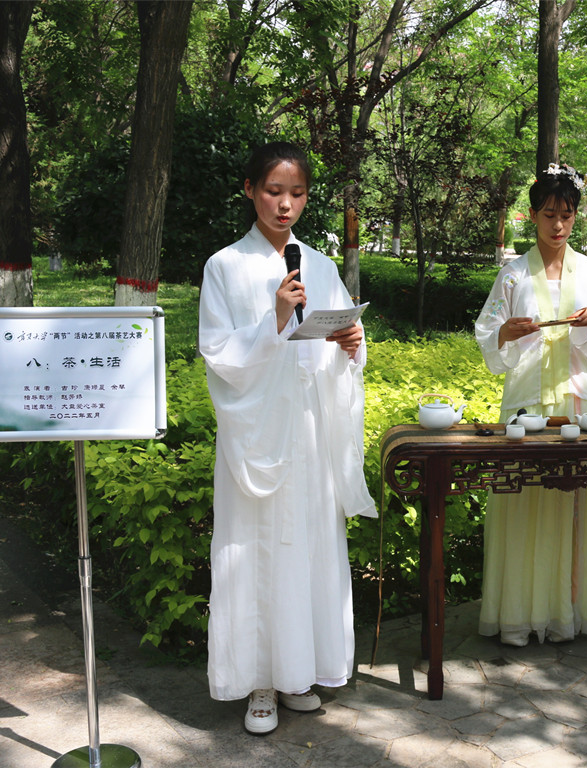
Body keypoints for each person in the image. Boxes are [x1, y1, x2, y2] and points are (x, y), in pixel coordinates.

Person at [199, 142, 376, 734]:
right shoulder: (224, 266)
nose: (285, 205)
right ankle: (259, 684)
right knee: (258, 555)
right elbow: (220, 354)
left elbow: (335, 334)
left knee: (308, 552)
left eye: (296, 193)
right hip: (257, 436)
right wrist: (273, 319)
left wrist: (351, 346)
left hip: (309, 430)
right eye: (274, 191)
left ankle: (300, 673)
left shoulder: (319, 265)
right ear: (249, 189)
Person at [474, 163, 587, 646]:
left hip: (575, 404)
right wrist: (504, 333)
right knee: (521, 501)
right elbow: (486, 334)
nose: (558, 224)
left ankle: (564, 614)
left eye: (568, 214)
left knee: (570, 503)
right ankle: (517, 616)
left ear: (576, 218)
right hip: (525, 405)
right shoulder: (513, 276)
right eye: (550, 214)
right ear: (531, 216)